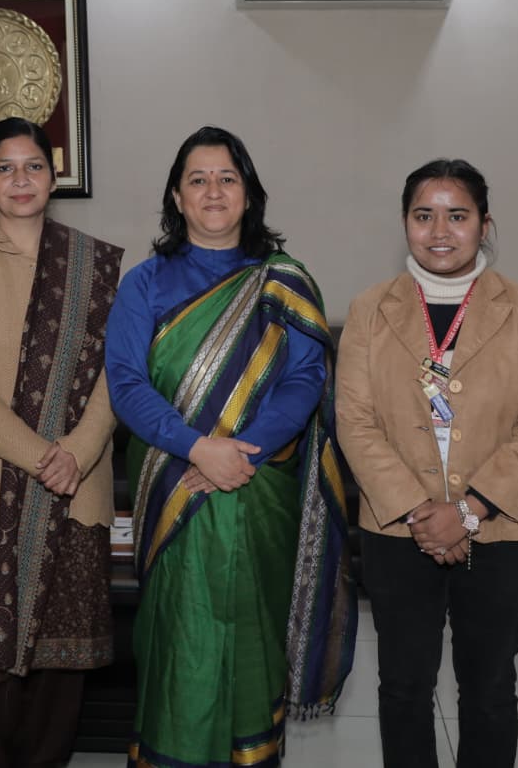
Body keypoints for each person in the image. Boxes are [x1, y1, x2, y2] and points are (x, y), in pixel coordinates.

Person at [106, 126, 356, 767]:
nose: (213, 191)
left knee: (250, 634)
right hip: (173, 485)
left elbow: (305, 379)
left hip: (257, 486)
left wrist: (241, 452)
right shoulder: (143, 284)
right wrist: (197, 449)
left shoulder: (285, 281)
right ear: (177, 196)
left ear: (249, 194)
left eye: (227, 178)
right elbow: (127, 385)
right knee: (179, 637)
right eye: (198, 179)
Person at [334, 158, 518, 768]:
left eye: (457, 215)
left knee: (489, 689)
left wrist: (465, 512)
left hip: (500, 528)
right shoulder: (369, 310)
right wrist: (421, 511)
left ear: (485, 225)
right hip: (397, 529)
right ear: (404, 223)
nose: (440, 231)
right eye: (424, 215)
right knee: (403, 688)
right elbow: (355, 422)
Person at [0, 117, 122, 768]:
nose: (20, 180)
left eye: (34, 165)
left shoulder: (91, 263)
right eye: (4, 168)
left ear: (54, 177)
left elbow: (117, 372)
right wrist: (43, 457)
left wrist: (79, 451)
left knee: (59, 671)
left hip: (73, 491)